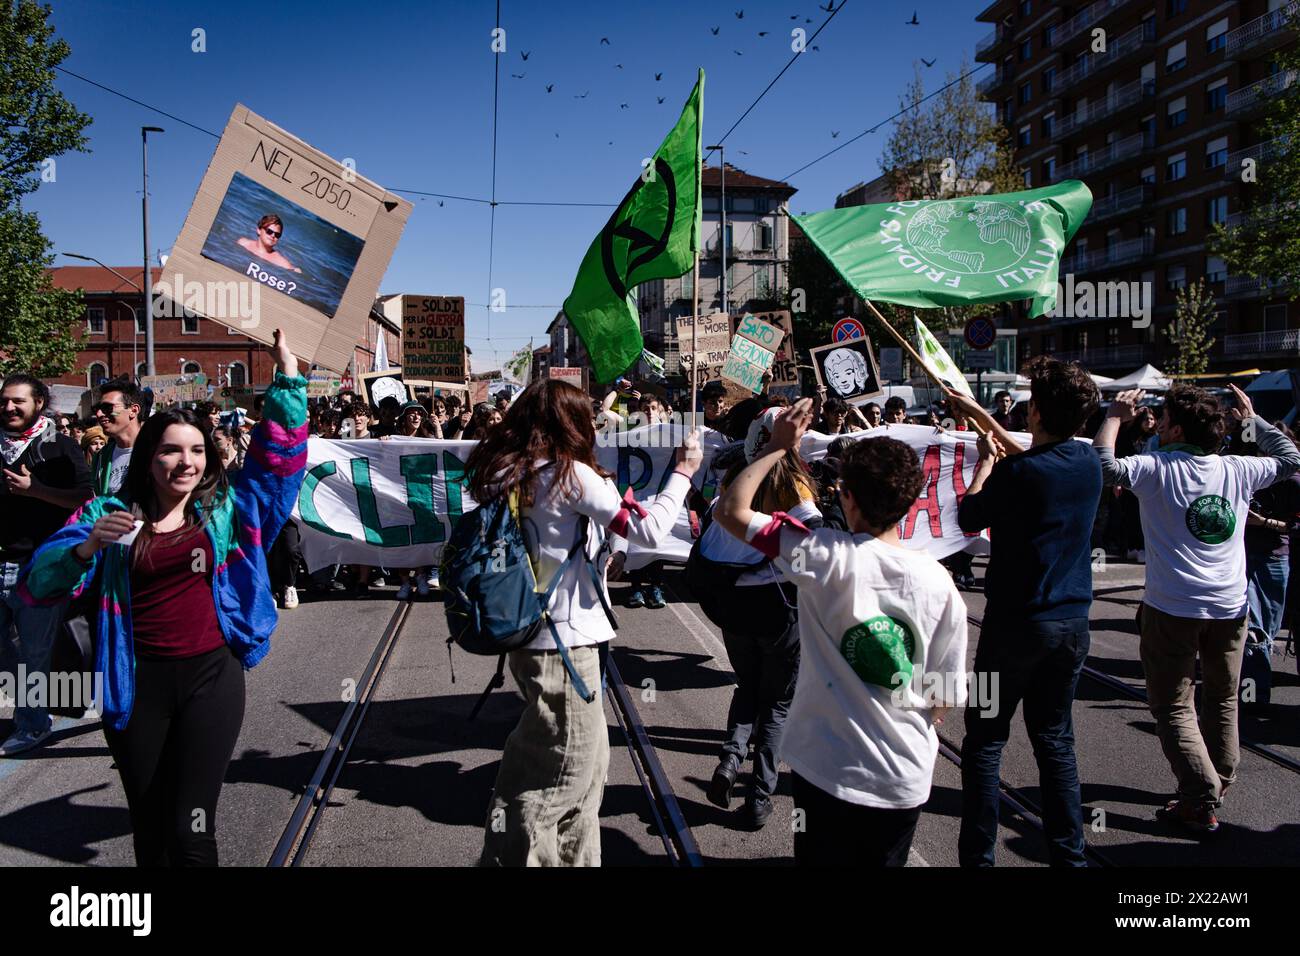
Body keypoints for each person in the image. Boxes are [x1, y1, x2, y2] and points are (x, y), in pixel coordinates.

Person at [20, 330, 307, 864]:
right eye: (172, 450)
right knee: (150, 829)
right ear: (149, 456)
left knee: (193, 828)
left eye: (197, 451)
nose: (186, 462)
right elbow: (39, 583)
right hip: (134, 684)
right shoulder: (107, 514)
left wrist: (287, 376)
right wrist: (85, 549)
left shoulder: (226, 513)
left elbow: (277, 468)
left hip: (210, 680)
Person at [714, 400, 968, 866]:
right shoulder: (940, 583)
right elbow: (945, 693)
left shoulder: (823, 555)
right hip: (903, 773)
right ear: (911, 502)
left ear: (846, 497)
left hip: (826, 768)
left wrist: (776, 448)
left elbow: (730, 511)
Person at [471, 379, 701, 866]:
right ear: (570, 422)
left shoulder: (507, 470)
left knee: (579, 770)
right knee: (561, 777)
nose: (594, 426)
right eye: (586, 418)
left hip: (533, 634)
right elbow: (648, 529)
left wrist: (600, 549)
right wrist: (681, 473)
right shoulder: (569, 474)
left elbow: (557, 538)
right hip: (565, 644)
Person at [1095, 383, 1300, 833]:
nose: (1159, 427)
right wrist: (1253, 420)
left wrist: (1113, 415)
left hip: (1173, 607)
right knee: (1223, 700)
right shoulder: (1237, 469)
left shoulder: (1158, 468)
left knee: (1173, 706)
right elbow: (1290, 459)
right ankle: (1217, 781)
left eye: (1163, 421)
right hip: (1230, 607)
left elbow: (1104, 468)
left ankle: (1199, 797)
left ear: (1177, 430)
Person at [946, 357, 1101, 867]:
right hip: (1072, 626)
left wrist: (984, 463)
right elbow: (1037, 457)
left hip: (1009, 629)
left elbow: (969, 516)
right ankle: (1070, 858)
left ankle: (979, 860)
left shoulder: (1014, 471)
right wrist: (987, 424)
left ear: (1034, 411)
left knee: (986, 741)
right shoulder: (1090, 463)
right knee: (1055, 739)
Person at [700, 407, 822, 828]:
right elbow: (812, 540)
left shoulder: (739, 477)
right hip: (777, 609)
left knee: (747, 686)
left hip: (735, 609)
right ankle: (759, 797)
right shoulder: (795, 484)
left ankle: (730, 761)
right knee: (778, 703)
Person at [0, 373, 94, 755]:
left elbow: (85, 497)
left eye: (18, 401)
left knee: (35, 651)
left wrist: (35, 490)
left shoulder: (61, 446)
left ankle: (33, 724)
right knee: (8, 652)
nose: (9, 408)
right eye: (4, 401)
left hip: (39, 568)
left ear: (39, 402)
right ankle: (31, 708)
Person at [90, 378, 145, 496]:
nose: (99, 414)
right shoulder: (101, 457)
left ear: (133, 410)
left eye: (108, 408)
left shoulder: (156, 450)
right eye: (96, 409)